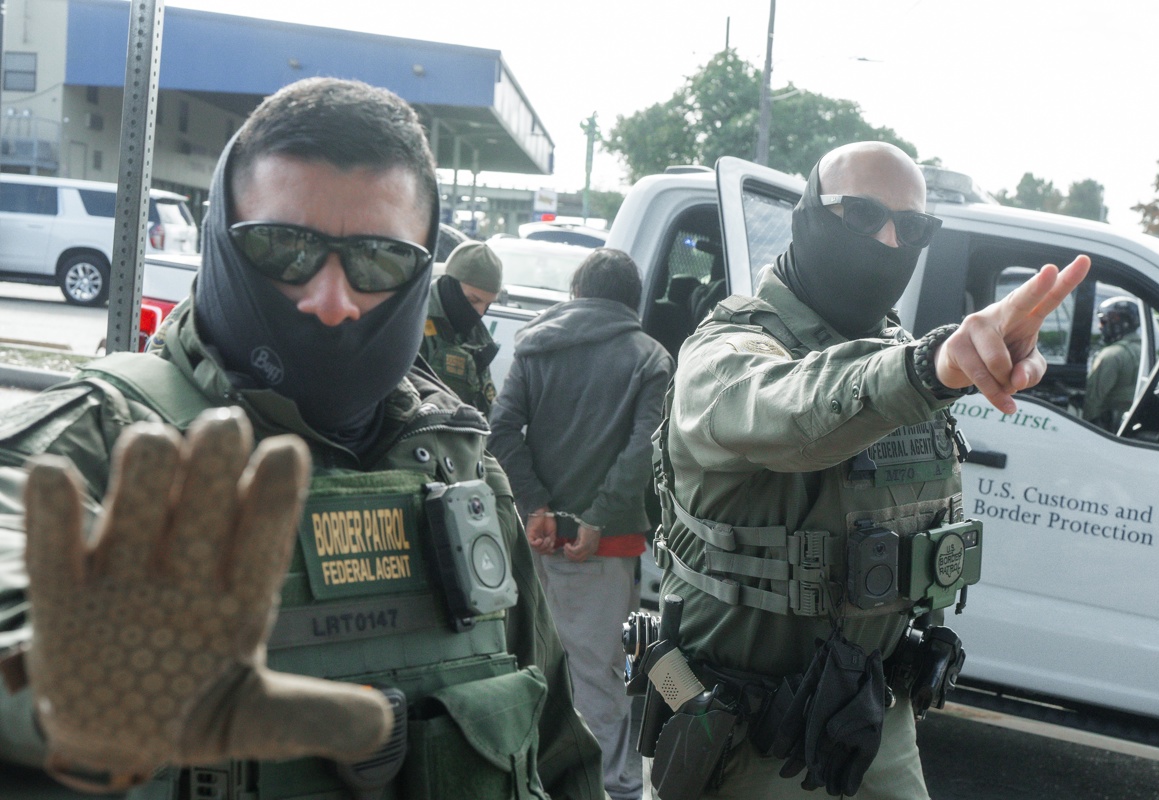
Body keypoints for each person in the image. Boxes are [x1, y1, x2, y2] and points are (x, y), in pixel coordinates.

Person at [0, 77, 602, 800]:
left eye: (379, 260)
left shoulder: (460, 463)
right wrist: (74, 681)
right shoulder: (92, 443)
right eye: (284, 248)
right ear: (223, 239)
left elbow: (561, 755)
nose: (330, 299)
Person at [650, 141, 1089, 799]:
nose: (889, 240)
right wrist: (930, 365)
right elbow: (791, 409)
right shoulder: (729, 351)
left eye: (911, 229)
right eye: (859, 215)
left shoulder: (893, 354)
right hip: (746, 741)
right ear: (806, 217)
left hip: (872, 720)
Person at [488, 248, 673, 800]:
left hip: (532, 542)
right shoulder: (650, 358)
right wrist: (597, 520)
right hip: (602, 548)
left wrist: (536, 507)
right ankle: (612, 790)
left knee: (526, 664)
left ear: (577, 293)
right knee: (596, 675)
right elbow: (644, 451)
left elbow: (501, 433)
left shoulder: (534, 346)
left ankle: (531, 780)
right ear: (631, 300)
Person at [420, 241, 503, 415]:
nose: (480, 312)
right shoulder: (414, 321)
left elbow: (485, 403)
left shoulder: (477, 338)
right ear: (451, 286)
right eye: (474, 300)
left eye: (488, 304)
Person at [1083, 295, 1140, 432]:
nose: (1100, 326)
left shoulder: (1111, 356)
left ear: (1119, 322)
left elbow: (1092, 403)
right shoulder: (1145, 350)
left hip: (1108, 431)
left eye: (1103, 321)